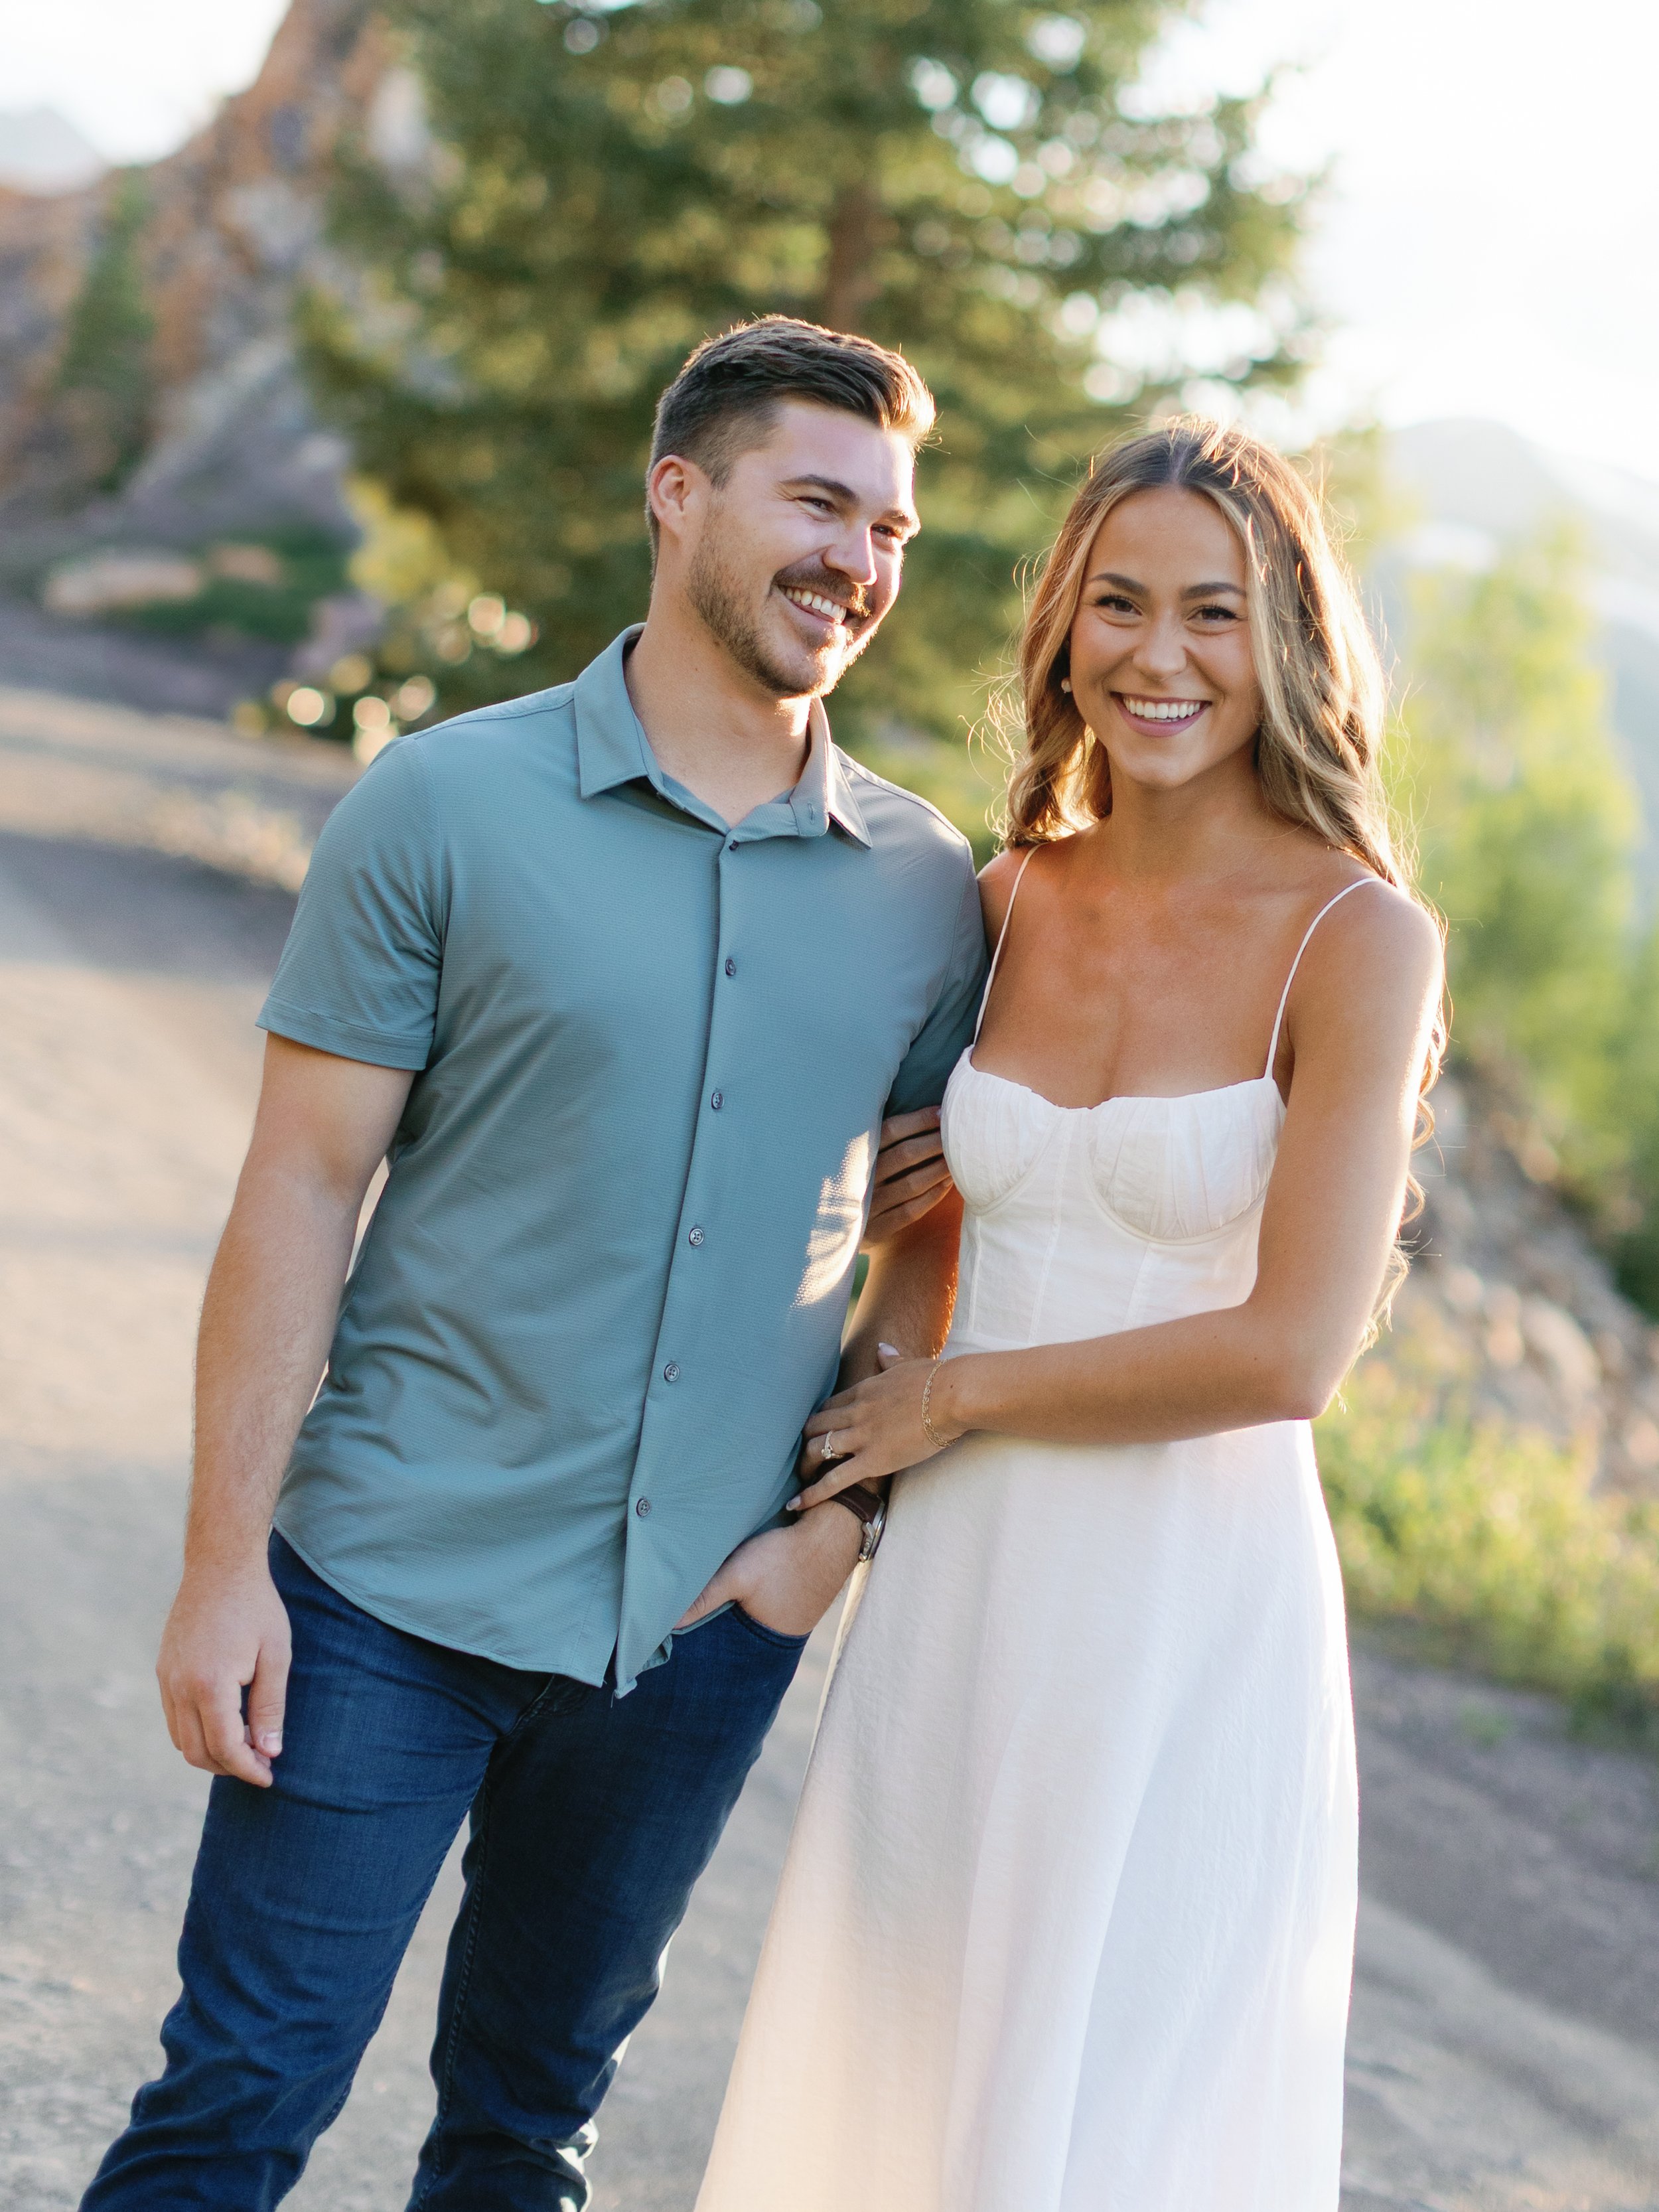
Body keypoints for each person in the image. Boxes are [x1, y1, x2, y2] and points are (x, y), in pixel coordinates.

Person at [81, 317, 986, 2210]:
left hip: (691, 1632)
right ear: (679, 493)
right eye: (816, 501)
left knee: (525, 2138)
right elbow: (300, 1191)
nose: (857, 561)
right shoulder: (446, 804)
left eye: (890, 529)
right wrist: (221, 1567)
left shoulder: (924, 889)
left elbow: (936, 1233)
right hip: (381, 1598)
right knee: (238, 2103)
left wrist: (835, 1531)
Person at [696, 419, 1446, 2212]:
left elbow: (1290, 1354)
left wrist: (959, 1401)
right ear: (1058, 629)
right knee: (905, 2090)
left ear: (1287, 640)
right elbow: (926, 1276)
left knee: (1112, 2123)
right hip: (961, 1599)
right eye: (1115, 604)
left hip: (1188, 1614)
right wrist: (834, 1525)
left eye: (1210, 611)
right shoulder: (1002, 901)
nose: (1156, 656)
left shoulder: (1357, 937)